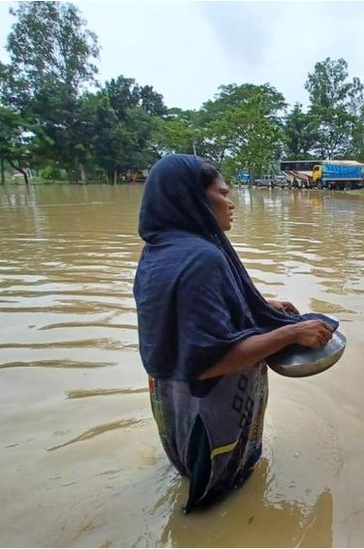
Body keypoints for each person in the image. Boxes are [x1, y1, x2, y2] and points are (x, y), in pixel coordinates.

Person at [133, 154, 336, 511]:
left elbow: (185, 318)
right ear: (195, 199)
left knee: (190, 468)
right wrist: (290, 335)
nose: (231, 203)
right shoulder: (202, 257)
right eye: (222, 193)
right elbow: (207, 361)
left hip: (170, 398)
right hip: (208, 402)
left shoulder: (159, 250)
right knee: (222, 489)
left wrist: (262, 305)